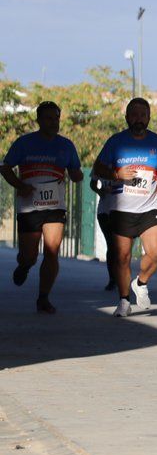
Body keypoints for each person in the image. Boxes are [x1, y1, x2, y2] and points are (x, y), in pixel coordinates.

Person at [92, 97, 157, 317]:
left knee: (156, 253)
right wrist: (116, 174)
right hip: (122, 209)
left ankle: (141, 282)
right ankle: (124, 300)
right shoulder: (116, 141)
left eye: (143, 115)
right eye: (134, 115)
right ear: (127, 117)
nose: (139, 119)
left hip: (148, 208)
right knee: (122, 258)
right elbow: (98, 167)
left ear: (148, 118)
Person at [1, 101, 83, 313]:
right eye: (48, 118)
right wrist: (20, 185)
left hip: (55, 206)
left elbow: (76, 172)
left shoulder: (66, 145)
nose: (53, 122)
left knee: (52, 251)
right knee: (30, 255)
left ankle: (43, 298)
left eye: (56, 118)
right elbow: (5, 167)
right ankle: (25, 265)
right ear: (39, 120)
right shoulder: (24, 143)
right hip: (29, 207)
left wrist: (77, 175)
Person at [89, 173, 117, 291]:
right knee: (112, 244)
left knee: (122, 246)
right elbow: (92, 183)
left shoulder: (124, 162)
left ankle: (121, 277)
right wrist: (100, 191)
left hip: (122, 210)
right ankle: (112, 279)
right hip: (104, 211)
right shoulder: (100, 165)